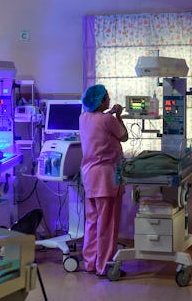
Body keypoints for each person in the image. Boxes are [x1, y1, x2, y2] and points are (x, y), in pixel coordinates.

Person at [79, 84, 128, 277]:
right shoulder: (108, 119)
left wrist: (109, 113)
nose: (109, 99)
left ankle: (90, 263)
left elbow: (98, 120)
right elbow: (123, 136)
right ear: (101, 101)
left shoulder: (83, 117)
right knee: (107, 224)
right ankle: (105, 266)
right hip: (107, 178)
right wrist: (118, 115)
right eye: (107, 97)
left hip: (90, 178)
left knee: (92, 222)